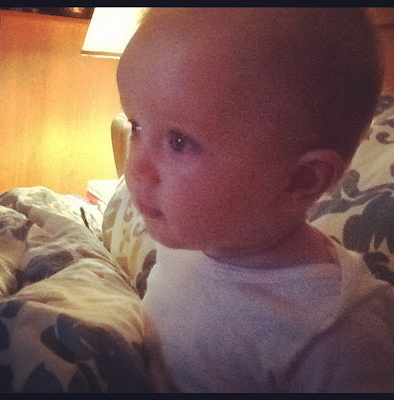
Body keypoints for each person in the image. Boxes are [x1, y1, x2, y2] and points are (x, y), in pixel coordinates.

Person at [117, 8, 394, 392]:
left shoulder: (336, 336)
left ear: (300, 179)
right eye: (136, 126)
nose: (136, 169)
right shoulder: (196, 235)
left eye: (179, 142)